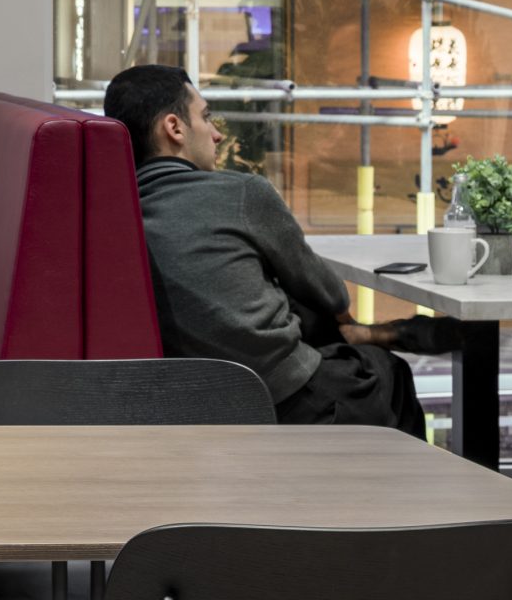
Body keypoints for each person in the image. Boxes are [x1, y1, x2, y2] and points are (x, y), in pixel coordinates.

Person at [104, 63, 438, 434]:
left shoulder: (116, 217)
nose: (216, 134)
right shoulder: (241, 193)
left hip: (189, 404)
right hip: (286, 395)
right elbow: (329, 293)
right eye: (206, 117)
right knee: (390, 370)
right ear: (174, 128)